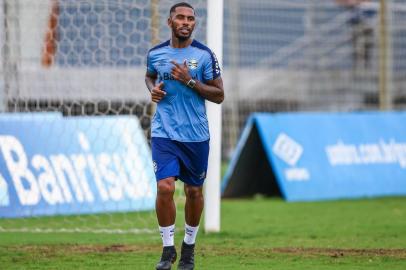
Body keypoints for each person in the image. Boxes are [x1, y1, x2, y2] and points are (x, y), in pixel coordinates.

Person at [145, 2, 224, 270]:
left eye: (190, 18)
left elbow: (219, 95)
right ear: (170, 22)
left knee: (193, 191)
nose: (186, 22)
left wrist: (190, 81)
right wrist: (152, 89)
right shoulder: (156, 53)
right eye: (180, 17)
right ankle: (168, 250)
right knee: (165, 187)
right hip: (164, 132)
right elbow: (149, 76)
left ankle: (188, 247)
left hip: (195, 136)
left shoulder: (204, 55)